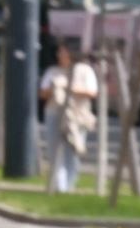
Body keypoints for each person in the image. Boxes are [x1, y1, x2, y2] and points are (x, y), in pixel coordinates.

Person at [37, 41, 100, 194]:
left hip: (77, 115)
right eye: (59, 52)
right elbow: (42, 93)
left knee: (73, 149)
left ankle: (69, 186)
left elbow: (91, 92)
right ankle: (59, 186)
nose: (59, 55)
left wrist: (67, 88)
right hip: (54, 112)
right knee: (54, 149)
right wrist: (53, 89)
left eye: (62, 51)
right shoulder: (53, 71)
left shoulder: (84, 70)